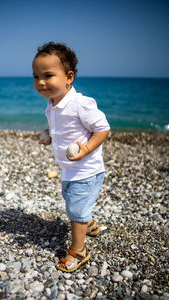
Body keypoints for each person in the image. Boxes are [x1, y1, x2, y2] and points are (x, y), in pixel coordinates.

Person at [32, 42, 110, 272]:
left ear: (69, 77)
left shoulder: (80, 105)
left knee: (75, 210)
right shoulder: (53, 104)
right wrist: (49, 134)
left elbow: (103, 128)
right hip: (69, 169)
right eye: (36, 76)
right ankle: (89, 223)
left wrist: (86, 149)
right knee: (72, 200)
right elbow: (63, 130)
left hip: (86, 169)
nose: (41, 82)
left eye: (48, 75)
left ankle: (78, 250)